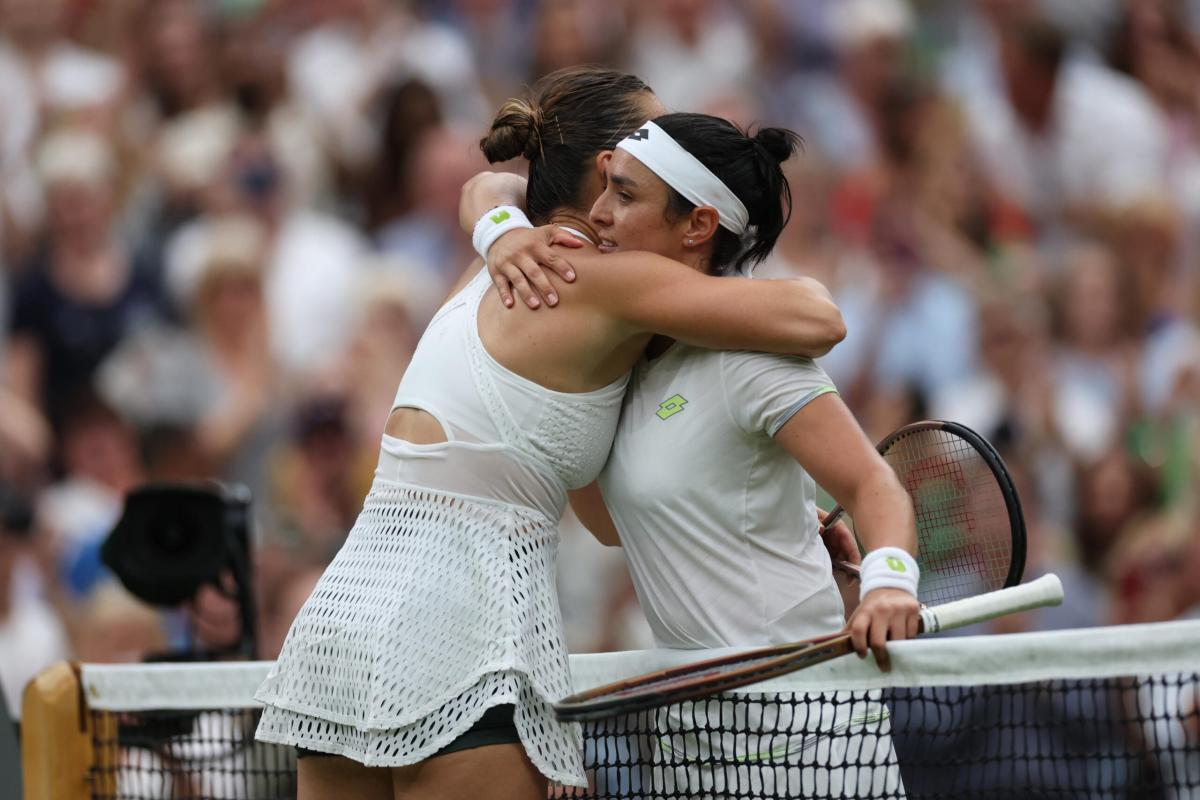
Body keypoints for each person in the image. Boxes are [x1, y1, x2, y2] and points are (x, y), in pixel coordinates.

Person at [253, 66, 846, 800]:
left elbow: (601, 517)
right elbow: (817, 319)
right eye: (651, 139)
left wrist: (495, 225)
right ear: (610, 168)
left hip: (339, 632)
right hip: (460, 637)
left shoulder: (495, 261)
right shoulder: (603, 279)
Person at [472, 113, 921, 798]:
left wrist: (889, 583)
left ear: (697, 226)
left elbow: (872, 484)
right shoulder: (621, 367)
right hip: (688, 748)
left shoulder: (749, 360)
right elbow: (609, 523)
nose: (599, 214)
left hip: (812, 740)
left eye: (625, 195)